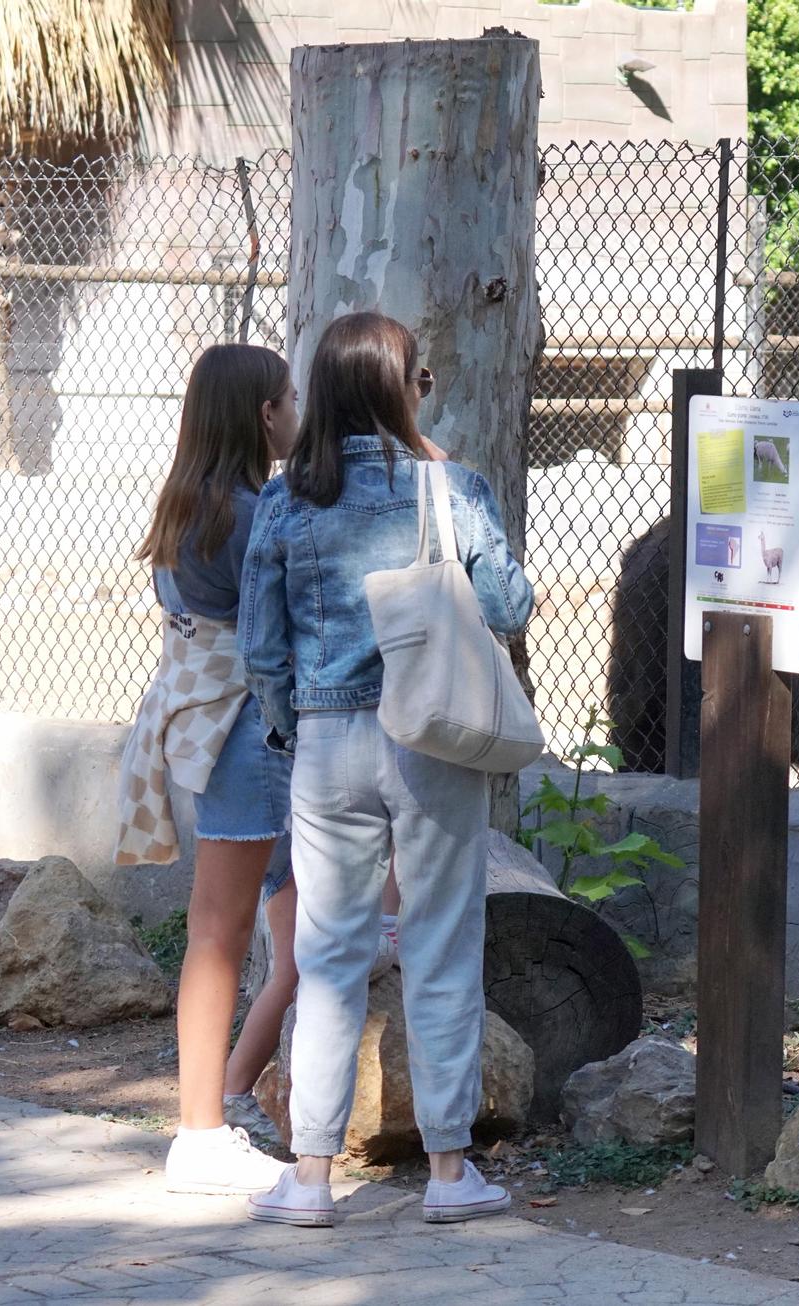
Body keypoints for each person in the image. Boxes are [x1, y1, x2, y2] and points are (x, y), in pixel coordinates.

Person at [238, 312, 533, 1228]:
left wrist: (293, 735)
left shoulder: (287, 502)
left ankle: (311, 1177)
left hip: (326, 745)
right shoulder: (450, 486)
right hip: (433, 741)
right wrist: (448, 483)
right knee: (442, 945)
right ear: (402, 390)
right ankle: (450, 1174)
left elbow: (261, 649)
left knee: (326, 957)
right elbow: (511, 606)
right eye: (422, 380)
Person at [118, 344, 303, 1193]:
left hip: (210, 729)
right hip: (249, 734)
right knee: (223, 934)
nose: (299, 412)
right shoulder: (253, 512)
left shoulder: (194, 502)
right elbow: (277, 637)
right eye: (290, 399)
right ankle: (201, 1132)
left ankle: (226, 1104)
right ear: (265, 415)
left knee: (288, 935)